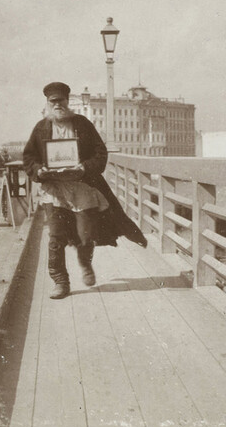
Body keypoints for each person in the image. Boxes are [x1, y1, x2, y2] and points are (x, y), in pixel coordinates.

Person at [22, 81, 147, 300]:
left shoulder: (82, 124)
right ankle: (60, 281)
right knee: (56, 237)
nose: (58, 105)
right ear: (48, 103)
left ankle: (85, 263)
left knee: (86, 235)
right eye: (53, 101)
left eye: (61, 100)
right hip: (55, 190)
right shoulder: (41, 128)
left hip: (82, 188)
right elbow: (29, 158)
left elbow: (100, 153)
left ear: (68, 101)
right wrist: (38, 170)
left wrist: (85, 167)